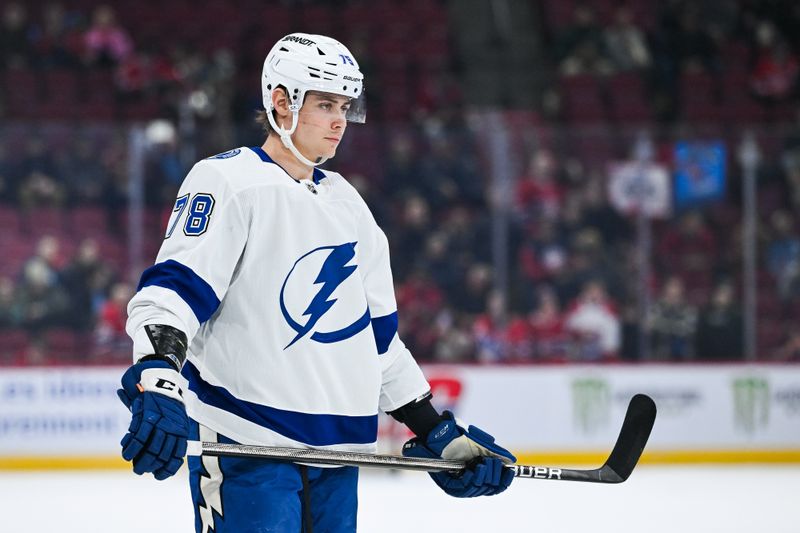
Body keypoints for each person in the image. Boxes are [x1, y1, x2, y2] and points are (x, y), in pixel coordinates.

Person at [117, 33, 515, 533]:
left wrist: (436, 431)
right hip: (249, 447)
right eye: (325, 104)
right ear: (281, 102)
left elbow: (375, 341)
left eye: (345, 106)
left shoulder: (348, 204)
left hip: (339, 459)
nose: (339, 121)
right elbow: (171, 293)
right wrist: (158, 377)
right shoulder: (228, 181)